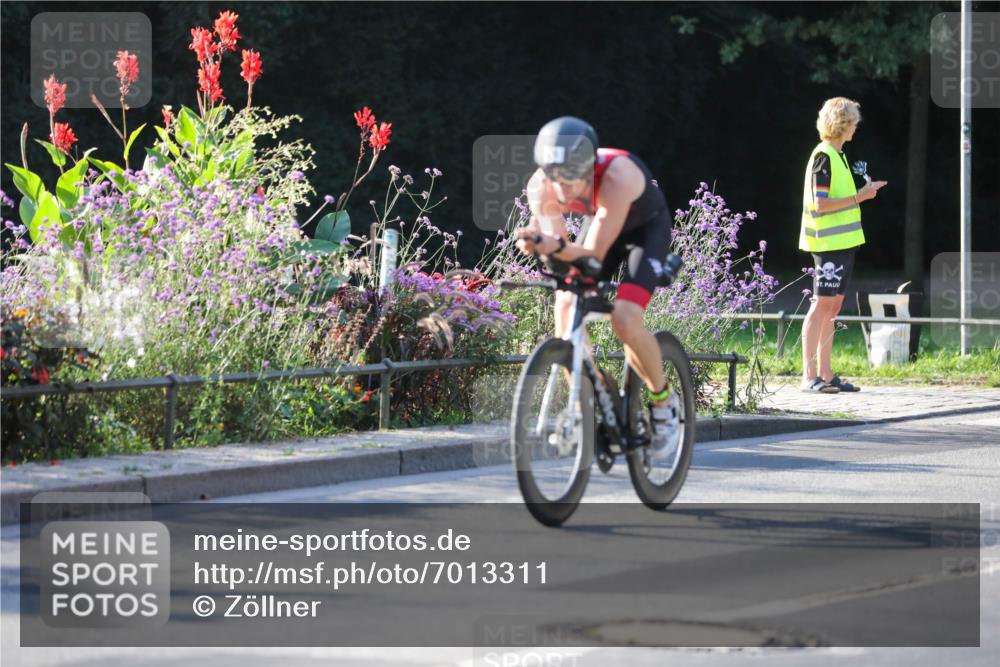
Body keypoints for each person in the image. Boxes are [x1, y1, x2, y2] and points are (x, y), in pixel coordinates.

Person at [514, 117, 679, 457]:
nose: (561, 188)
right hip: (603, 223)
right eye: (553, 175)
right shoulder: (540, 186)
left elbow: (591, 256)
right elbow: (562, 257)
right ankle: (585, 398)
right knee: (565, 302)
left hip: (644, 232)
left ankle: (664, 402)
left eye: (570, 177)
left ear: (589, 169)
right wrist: (542, 245)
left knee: (625, 319)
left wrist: (552, 245)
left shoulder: (617, 177)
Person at [800, 97, 887, 393]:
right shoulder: (823, 156)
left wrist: (862, 191)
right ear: (841, 124)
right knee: (821, 305)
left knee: (832, 307)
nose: (856, 127)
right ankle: (809, 376)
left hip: (843, 244)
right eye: (853, 123)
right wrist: (859, 197)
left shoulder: (838, 156)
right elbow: (820, 204)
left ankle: (826, 375)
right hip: (827, 245)